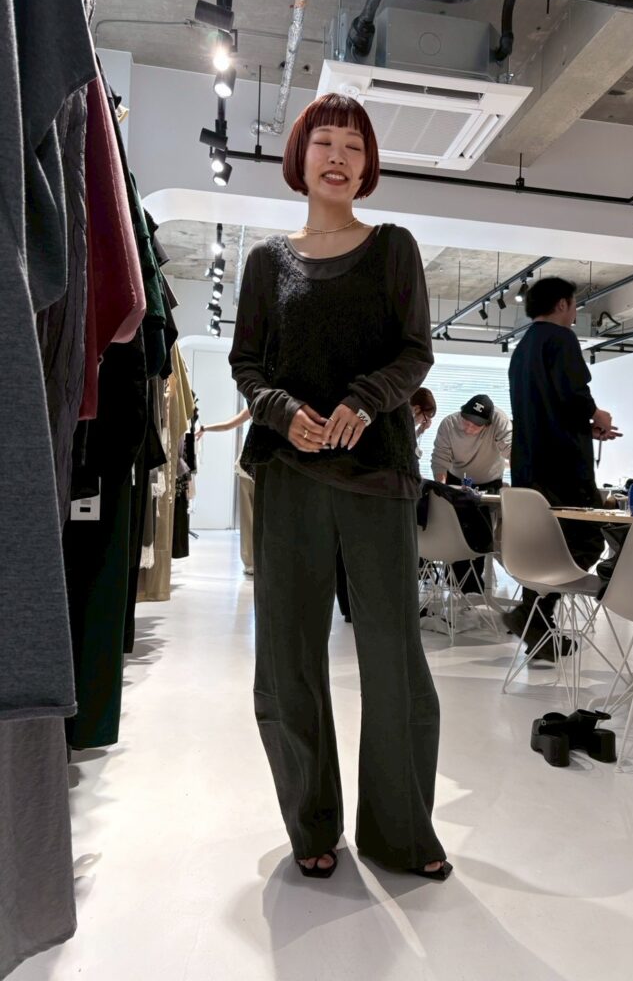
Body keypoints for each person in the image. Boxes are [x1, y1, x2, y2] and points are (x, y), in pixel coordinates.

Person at [229, 93, 450, 881]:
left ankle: (401, 833)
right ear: (301, 157)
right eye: (325, 142)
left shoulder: (393, 248)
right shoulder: (266, 262)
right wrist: (283, 413)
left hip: (378, 473)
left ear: (367, 166)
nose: (338, 157)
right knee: (288, 656)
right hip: (288, 475)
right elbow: (246, 364)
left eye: (354, 147)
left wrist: (363, 401)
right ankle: (311, 824)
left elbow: (415, 352)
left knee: (395, 658)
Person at [504, 277, 620, 659]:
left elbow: (547, 406)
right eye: (573, 305)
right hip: (564, 466)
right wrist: (597, 415)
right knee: (586, 540)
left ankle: (536, 623)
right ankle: (531, 613)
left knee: (543, 545)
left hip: (530, 465)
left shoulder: (522, 349)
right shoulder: (561, 339)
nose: (574, 313)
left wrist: (586, 428)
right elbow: (573, 393)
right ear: (561, 305)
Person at [336, 387, 437, 622]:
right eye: (425, 417)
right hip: (374, 490)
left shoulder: (386, 415)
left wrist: (419, 430)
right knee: (360, 552)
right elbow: (405, 453)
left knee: (349, 550)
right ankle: (358, 607)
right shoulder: (393, 418)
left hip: (356, 486)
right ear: (416, 409)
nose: (425, 422)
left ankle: (351, 608)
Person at [431, 394, 511, 593]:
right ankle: (454, 579)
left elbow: (512, 449)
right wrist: (441, 489)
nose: (468, 428)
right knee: (455, 528)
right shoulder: (449, 424)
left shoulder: (499, 421)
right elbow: (440, 458)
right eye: (466, 421)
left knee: (481, 530)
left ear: (487, 424)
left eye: (475, 426)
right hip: (457, 478)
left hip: (490, 480)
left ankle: (472, 583)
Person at [196, 407, 254, 574]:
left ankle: (252, 562)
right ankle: (253, 562)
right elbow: (229, 425)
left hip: (253, 466)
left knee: (250, 518)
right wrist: (205, 428)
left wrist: (205, 428)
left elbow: (229, 425)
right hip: (253, 466)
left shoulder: (259, 403)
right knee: (253, 518)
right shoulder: (261, 404)